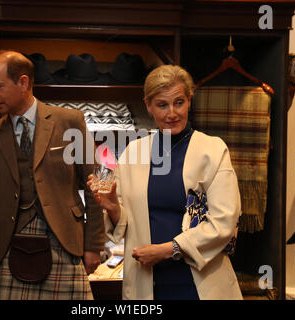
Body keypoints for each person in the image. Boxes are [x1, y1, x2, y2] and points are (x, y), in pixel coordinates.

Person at [0, 50, 104, 300]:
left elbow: (94, 187)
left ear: (23, 82)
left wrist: (93, 246)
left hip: (64, 246)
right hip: (8, 249)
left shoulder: (69, 122)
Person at [88, 65, 242, 300]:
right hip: (146, 282)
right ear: (148, 106)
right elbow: (124, 226)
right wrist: (111, 207)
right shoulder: (133, 152)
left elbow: (224, 222)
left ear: (189, 100)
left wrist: (167, 250)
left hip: (201, 285)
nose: (172, 113)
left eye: (179, 102)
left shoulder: (212, 150)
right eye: (162, 105)